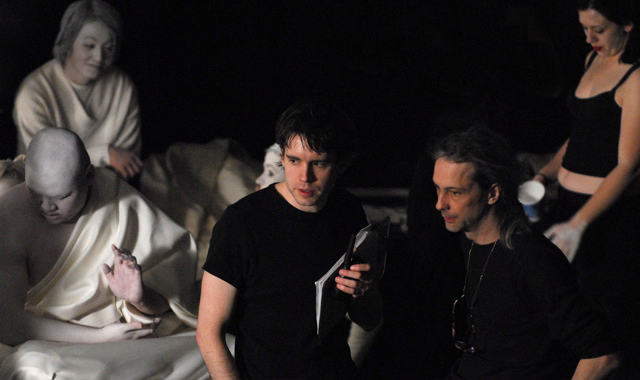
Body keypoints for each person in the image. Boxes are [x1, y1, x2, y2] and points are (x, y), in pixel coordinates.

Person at [196, 100, 383, 379]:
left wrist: (362, 293)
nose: (304, 177)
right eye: (294, 160)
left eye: (318, 163)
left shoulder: (348, 210)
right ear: (282, 157)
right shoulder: (242, 223)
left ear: (341, 163)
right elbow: (208, 333)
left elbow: (370, 319)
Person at [0, 128, 206, 379]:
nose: (46, 206)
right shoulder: (9, 214)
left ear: (89, 177)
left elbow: (168, 303)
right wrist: (98, 337)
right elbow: (9, 323)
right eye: (35, 192)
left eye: (61, 196)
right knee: (40, 368)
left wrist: (139, 298)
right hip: (51, 342)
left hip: (125, 339)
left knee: (223, 349)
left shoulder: (120, 202)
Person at [431, 126, 619, 379]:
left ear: (493, 193)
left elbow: (602, 356)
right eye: (438, 188)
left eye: (455, 192)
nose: (440, 204)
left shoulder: (532, 259)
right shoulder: (471, 240)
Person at [533, 0, 640, 376]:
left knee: (605, 324)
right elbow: (580, 136)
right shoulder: (591, 60)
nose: (590, 38)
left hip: (605, 216)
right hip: (567, 204)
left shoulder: (636, 78)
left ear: (627, 24)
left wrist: (579, 223)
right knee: (566, 313)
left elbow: (628, 165)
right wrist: (544, 175)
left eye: (599, 29)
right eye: (584, 29)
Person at [13, 0, 143, 180]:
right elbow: (46, 163)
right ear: (69, 42)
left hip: (107, 184)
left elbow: (127, 161)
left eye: (108, 48)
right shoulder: (34, 92)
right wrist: (105, 154)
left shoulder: (122, 86)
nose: (99, 57)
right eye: (89, 46)